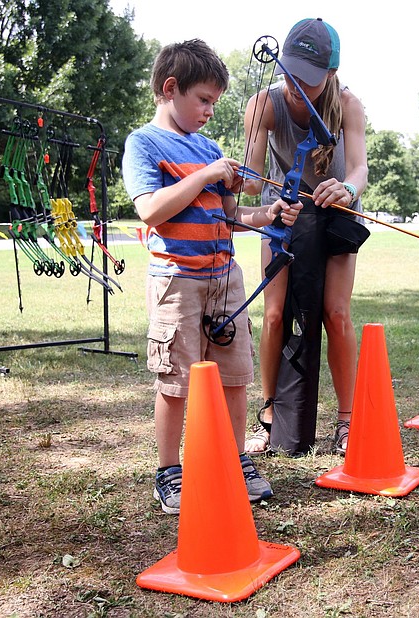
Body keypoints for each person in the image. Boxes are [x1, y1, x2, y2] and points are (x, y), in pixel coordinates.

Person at [121, 39, 302, 514]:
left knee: (234, 378)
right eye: (203, 99)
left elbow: (230, 216)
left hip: (225, 279)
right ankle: (170, 474)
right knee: (175, 382)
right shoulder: (144, 143)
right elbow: (151, 211)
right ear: (170, 88)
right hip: (176, 282)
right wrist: (204, 175)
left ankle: (235, 462)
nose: (208, 111)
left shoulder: (209, 148)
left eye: (214, 103)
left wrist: (272, 213)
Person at [241, 18, 369, 456]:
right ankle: (270, 414)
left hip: (336, 217)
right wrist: (243, 181)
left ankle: (347, 422)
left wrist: (348, 189)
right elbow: (254, 181)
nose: (296, 85)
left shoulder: (348, 104)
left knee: (336, 314)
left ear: (331, 73)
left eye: (309, 79)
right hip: (284, 216)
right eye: (291, 72)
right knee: (275, 314)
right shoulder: (267, 103)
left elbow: (359, 168)